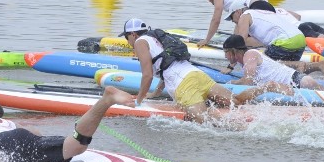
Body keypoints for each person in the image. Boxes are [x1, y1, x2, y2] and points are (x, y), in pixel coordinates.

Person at [121, 18, 286, 123]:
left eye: (126, 37)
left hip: (183, 85)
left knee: (204, 119)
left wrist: (139, 101)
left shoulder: (139, 42)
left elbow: (148, 74)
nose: (128, 41)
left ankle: (244, 130)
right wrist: (157, 92)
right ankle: (266, 87)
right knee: (235, 101)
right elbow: (166, 64)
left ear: (133, 34)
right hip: (197, 75)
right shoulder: (157, 38)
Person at [0, 86, 134, 162]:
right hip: (23, 136)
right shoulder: (9, 123)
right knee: (75, 144)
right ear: (0, 117)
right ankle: (105, 101)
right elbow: (34, 131)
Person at [228, 5, 324, 79]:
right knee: (286, 71)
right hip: (300, 38)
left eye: (232, 18)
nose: (233, 21)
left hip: (285, 41)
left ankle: (297, 64)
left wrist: (230, 66)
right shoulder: (262, 12)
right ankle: (319, 65)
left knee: (266, 63)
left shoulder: (244, 16)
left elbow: (240, 44)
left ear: (238, 11)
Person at [221, 34, 324, 90]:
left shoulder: (250, 55)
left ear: (234, 51)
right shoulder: (244, 59)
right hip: (294, 82)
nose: (225, 56)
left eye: (226, 52)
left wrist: (228, 84)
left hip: (298, 81)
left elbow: (248, 81)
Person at [198, 0, 275, 48]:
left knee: (242, 41)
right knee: (243, 37)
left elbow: (216, 20)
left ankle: (270, 46)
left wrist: (207, 40)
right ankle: (271, 44)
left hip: (257, 6)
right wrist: (234, 37)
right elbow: (238, 22)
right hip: (268, 6)